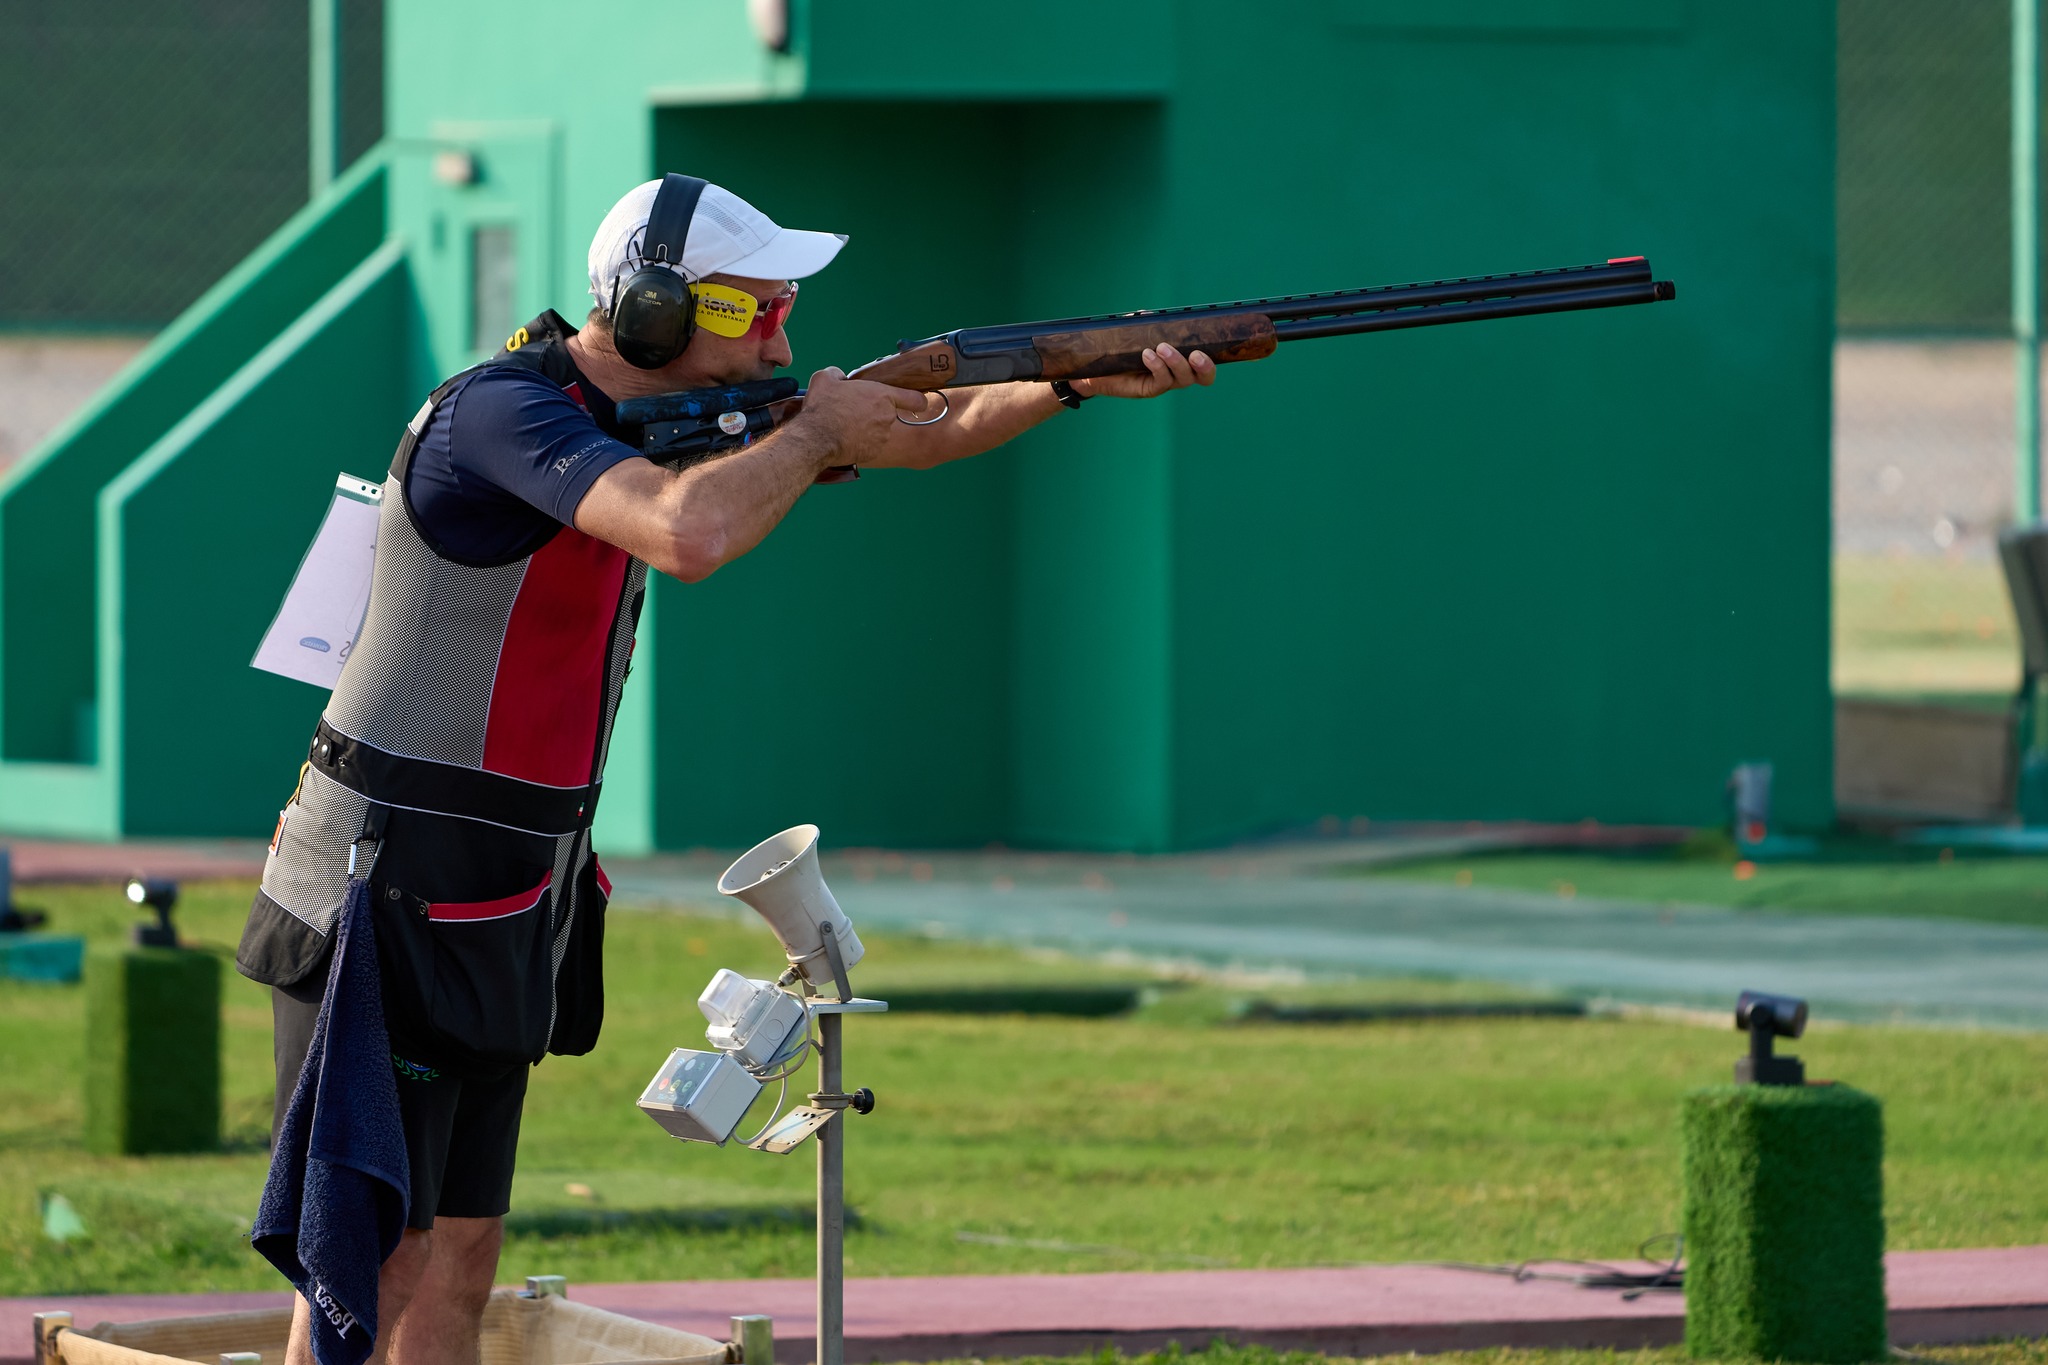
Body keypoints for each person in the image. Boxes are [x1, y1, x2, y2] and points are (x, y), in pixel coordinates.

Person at [237, 174, 1216, 1365]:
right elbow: (685, 532)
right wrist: (813, 431)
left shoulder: (689, 418)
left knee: (461, 1252)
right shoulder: (499, 412)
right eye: (753, 310)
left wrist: (1071, 381)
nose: (780, 343)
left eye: (782, 310)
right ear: (652, 311)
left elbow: (925, 428)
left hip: (509, 884)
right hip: (386, 879)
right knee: (371, 1253)